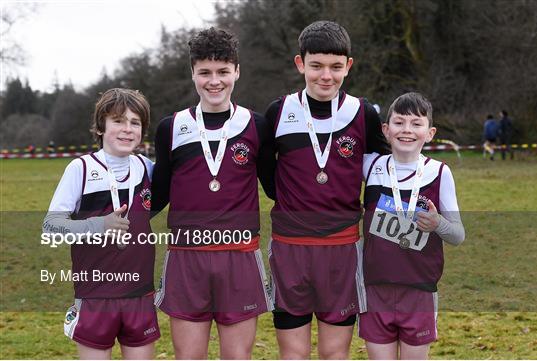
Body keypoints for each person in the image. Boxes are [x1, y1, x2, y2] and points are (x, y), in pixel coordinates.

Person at [263, 20, 389, 359]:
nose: (325, 76)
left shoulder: (363, 113)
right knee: (294, 353)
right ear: (300, 63)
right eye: (316, 66)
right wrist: (285, 195)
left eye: (335, 67)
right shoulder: (279, 111)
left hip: (342, 246)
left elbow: (383, 170)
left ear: (348, 67)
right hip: (290, 245)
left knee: (335, 353)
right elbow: (264, 167)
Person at [151, 27, 276, 359]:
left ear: (237, 71)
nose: (214, 81)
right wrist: (108, 217)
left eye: (223, 71)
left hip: (239, 255)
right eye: (204, 72)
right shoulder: (171, 128)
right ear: (192, 73)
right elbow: (157, 195)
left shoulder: (257, 126)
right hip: (186, 257)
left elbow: (277, 188)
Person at [42, 88, 159, 359]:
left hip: (139, 294)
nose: (127, 129)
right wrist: (98, 225)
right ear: (100, 127)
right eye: (118, 120)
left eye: (135, 122)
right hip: (96, 293)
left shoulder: (146, 168)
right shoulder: (80, 169)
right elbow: (51, 227)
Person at [360, 92, 465, 359]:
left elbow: (458, 235)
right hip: (375, 290)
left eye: (416, 124)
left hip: (419, 292)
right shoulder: (371, 167)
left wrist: (438, 223)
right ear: (385, 129)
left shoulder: (440, 173)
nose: (407, 130)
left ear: (429, 133)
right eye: (399, 122)